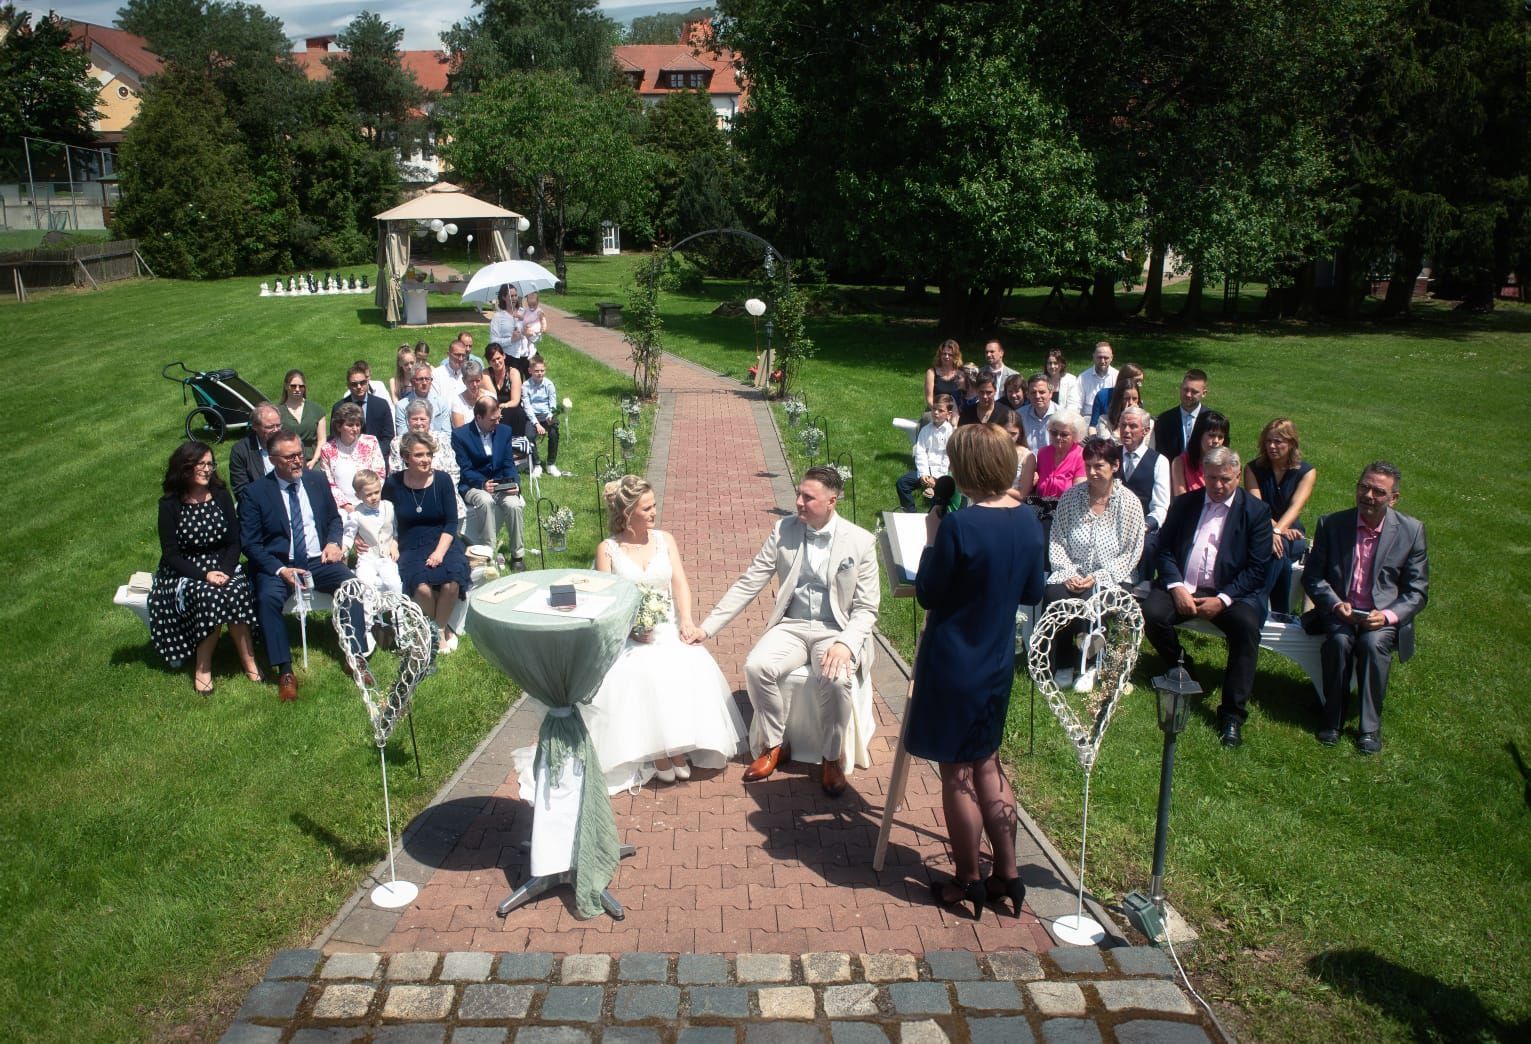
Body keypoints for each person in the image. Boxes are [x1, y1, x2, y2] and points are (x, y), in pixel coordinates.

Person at [905, 423, 1046, 920]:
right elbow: (1032, 591)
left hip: (954, 662)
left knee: (957, 771)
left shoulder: (961, 527)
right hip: (996, 661)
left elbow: (928, 593)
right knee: (988, 763)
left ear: (966, 469)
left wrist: (931, 538)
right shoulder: (1028, 519)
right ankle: (1009, 873)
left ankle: (967, 879)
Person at [694, 466, 880, 796]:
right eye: (798, 494)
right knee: (757, 666)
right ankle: (775, 744)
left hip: (834, 630)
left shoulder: (861, 542)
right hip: (792, 625)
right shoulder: (784, 531)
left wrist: (847, 645)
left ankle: (832, 757)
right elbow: (749, 582)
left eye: (808, 497)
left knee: (836, 678)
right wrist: (707, 628)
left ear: (832, 500)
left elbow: (866, 608)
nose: (798, 502)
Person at [581, 476, 748, 792]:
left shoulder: (665, 540)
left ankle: (675, 745)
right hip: (630, 635)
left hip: (667, 626)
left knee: (686, 663)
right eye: (647, 508)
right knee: (642, 671)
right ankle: (657, 751)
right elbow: (607, 599)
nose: (654, 512)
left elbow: (679, 583)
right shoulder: (608, 549)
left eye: (654, 505)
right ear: (628, 512)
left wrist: (686, 620)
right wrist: (630, 627)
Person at [1142, 447, 1273, 747]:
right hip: (1184, 587)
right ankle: (1183, 665)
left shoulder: (1256, 512)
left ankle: (1232, 715)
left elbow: (1257, 568)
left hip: (1231, 594)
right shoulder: (1186, 504)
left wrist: (1224, 599)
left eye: (1225, 479)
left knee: (1246, 629)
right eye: (1212, 478)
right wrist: (1176, 587)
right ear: (1204, 474)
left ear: (1238, 477)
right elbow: (1164, 550)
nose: (1218, 486)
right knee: (1151, 612)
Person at [1303, 462, 1428, 754]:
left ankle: (1369, 728)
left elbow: (1417, 591)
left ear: (1394, 498)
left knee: (1373, 646)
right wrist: (1334, 604)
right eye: (1364, 487)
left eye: (1378, 491)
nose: (1368, 495)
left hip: (1380, 617)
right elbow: (1313, 576)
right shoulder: (1332, 524)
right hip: (1341, 612)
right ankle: (1332, 719)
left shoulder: (1411, 531)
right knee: (1338, 640)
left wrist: (1386, 616)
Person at [239, 430, 368, 701]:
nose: (298, 461)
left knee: (352, 586)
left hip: (317, 559)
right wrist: (280, 570)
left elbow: (334, 519)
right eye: (290, 457)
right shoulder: (255, 493)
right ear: (274, 460)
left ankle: (355, 656)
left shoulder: (316, 480)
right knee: (267, 598)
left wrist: (334, 543)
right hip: (280, 564)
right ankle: (285, 670)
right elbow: (250, 544)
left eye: (300, 454)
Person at [149, 442, 261, 693]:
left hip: (223, 564)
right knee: (209, 595)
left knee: (236, 590)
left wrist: (226, 571)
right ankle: (203, 666)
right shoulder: (169, 505)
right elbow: (171, 555)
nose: (207, 469)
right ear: (185, 466)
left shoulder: (221, 494)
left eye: (210, 464)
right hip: (185, 570)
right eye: (201, 464)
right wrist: (204, 575)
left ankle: (249, 660)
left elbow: (235, 541)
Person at [1042, 436, 1145, 690]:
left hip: (1112, 575)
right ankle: (1063, 663)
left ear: (1115, 466)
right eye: (1088, 465)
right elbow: (1057, 539)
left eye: (1099, 466)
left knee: (1091, 597)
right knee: (1055, 595)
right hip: (1072, 569)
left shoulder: (1128, 502)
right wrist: (1067, 572)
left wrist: (1098, 576)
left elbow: (1131, 551)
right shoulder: (1071, 497)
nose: (1092, 472)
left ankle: (1088, 665)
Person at [387, 431, 472, 654]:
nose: (426, 459)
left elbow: (452, 522)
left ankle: (440, 629)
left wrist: (439, 553)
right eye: (419, 455)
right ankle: (436, 627)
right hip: (410, 542)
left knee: (451, 580)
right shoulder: (394, 483)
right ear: (406, 457)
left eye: (429, 454)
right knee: (422, 587)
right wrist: (392, 541)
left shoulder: (442, 480)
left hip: (442, 538)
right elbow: (383, 517)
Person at [1244, 418, 1317, 615]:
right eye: (1268, 441)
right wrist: (1274, 530)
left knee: (1277, 550)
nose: (1272, 446)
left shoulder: (1306, 472)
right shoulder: (1253, 468)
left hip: (1292, 534)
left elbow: (1296, 507)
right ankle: (1279, 611)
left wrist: (1277, 530)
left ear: (1291, 443)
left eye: (1278, 442)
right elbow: (1257, 506)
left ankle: (1255, 604)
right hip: (1261, 528)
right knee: (1278, 555)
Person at [451, 394, 526, 571]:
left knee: (514, 504)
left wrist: (514, 483)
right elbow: (465, 469)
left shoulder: (504, 431)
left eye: (498, 417)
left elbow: (508, 463)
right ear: (478, 417)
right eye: (492, 419)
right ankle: (488, 552)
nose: (497, 422)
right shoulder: (461, 436)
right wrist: (483, 484)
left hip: (500, 483)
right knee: (485, 500)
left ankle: (518, 555)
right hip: (473, 485)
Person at [317, 402, 388, 547]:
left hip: (370, 500)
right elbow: (328, 482)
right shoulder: (327, 449)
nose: (355, 429)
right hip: (342, 506)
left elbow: (379, 473)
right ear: (338, 426)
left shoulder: (370, 442)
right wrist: (346, 505)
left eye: (358, 424)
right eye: (350, 425)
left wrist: (366, 500)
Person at [391, 399, 467, 525]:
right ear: (407, 420)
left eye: (423, 419)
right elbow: (396, 472)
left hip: (444, 494)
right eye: (414, 419)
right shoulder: (398, 443)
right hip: (412, 496)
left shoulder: (441, 439)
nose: (419, 423)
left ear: (430, 420)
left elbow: (454, 470)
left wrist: (444, 493)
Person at [1117, 406, 1170, 575]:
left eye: (1132, 426)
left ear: (1146, 431)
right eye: (1123, 425)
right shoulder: (1111, 455)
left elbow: (1161, 506)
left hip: (1143, 525)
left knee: (1147, 546)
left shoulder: (1159, 461)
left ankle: (1144, 583)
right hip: (1112, 521)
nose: (1126, 430)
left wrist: (1145, 526)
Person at [350, 469, 403, 599]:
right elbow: (349, 534)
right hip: (367, 557)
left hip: (386, 556)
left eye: (377, 492)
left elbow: (394, 528)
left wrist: (394, 544)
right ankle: (368, 617)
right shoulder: (356, 513)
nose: (374, 497)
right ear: (358, 496)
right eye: (368, 495)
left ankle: (398, 615)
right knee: (365, 584)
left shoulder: (389, 507)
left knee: (394, 582)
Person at [896, 395, 955, 510]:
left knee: (937, 499)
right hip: (925, 472)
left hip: (942, 475)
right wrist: (924, 474)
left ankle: (933, 519)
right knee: (902, 483)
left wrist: (936, 479)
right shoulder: (925, 430)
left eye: (941, 410)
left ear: (949, 414)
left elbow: (947, 458)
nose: (936, 413)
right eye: (934, 409)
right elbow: (920, 453)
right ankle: (910, 513)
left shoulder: (950, 432)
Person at [1170, 409, 1230, 497]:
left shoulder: (1228, 464)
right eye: (1211, 435)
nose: (1216, 441)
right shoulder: (1180, 462)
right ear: (1199, 435)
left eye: (1220, 437)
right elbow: (1181, 499)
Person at [228, 402, 283, 498]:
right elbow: (241, 490)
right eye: (269, 427)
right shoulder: (241, 451)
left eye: (278, 425)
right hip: (260, 501)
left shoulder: (291, 444)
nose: (276, 430)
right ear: (255, 427)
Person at [1153, 368, 1209, 460]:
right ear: (1180, 387)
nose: (1188, 394)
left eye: (1194, 392)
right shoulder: (1164, 420)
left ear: (1204, 393)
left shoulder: (1212, 420)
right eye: (1185, 389)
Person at [277, 368, 327, 468]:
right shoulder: (278, 412)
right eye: (293, 386)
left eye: (301, 386)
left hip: (313, 460)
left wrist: (314, 460)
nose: (297, 389)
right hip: (288, 461)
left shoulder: (316, 409)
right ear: (286, 386)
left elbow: (322, 440)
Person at [1034, 409, 1087, 500]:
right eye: (1054, 433)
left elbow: (1079, 493)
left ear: (1075, 435)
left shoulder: (1081, 456)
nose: (1058, 437)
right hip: (1040, 508)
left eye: (1064, 434)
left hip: (1067, 509)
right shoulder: (1043, 453)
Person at [334, 364, 395, 443]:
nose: (359, 386)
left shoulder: (382, 405)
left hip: (377, 452)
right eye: (354, 384)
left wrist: (375, 453)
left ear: (367, 382)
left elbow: (388, 437)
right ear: (348, 385)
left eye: (362, 382)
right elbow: (335, 437)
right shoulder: (339, 408)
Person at [523, 354, 561, 476]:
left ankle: (551, 464)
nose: (540, 373)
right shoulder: (525, 386)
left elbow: (553, 403)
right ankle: (537, 464)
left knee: (554, 432)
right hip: (533, 415)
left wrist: (550, 415)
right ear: (530, 371)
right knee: (529, 435)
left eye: (542, 371)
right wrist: (537, 424)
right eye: (536, 371)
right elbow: (527, 406)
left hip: (546, 414)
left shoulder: (549, 385)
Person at [393, 363, 453, 435]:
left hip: (437, 444)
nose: (424, 383)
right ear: (412, 382)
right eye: (420, 379)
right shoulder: (402, 406)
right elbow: (402, 435)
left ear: (431, 381)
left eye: (427, 379)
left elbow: (447, 433)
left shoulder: (441, 403)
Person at [1090, 361, 1143, 430]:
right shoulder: (1103, 395)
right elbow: (1093, 425)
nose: (1140, 385)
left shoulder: (1137, 401)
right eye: (1137, 381)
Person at [489, 285, 527, 377]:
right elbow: (493, 342)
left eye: (515, 295)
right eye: (511, 296)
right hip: (510, 357)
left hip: (527, 355)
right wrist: (511, 339)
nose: (514, 298)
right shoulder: (498, 317)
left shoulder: (524, 313)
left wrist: (530, 333)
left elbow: (537, 334)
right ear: (503, 297)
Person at [1077, 341, 1118, 421]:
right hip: (1087, 418)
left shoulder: (1118, 376)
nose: (1102, 361)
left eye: (1106, 358)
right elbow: (1077, 404)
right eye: (1099, 357)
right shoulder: (1082, 378)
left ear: (1111, 358)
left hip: (1110, 419)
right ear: (1093, 357)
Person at [1001, 414, 1037, 503]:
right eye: (1005, 433)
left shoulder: (1027, 456)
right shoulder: (990, 451)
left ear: (1020, 433)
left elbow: (1022, 495)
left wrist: (996, 488)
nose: (1008, 437)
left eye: (1013, 434)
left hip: (1012, 505)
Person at [1019, 372, 1057, 452]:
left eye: (1042, 392)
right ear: (1028, 395)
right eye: (1033, 392)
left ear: (1050, 393)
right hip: (1027, 461)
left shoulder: (1062, 415)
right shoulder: (1019, 415)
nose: (1037, 396)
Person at [925, 339, 965, 412]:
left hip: (956, 412)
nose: (946, 357)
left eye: (950, 355)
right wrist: (939, 412)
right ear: (940, 355)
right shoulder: (931, 372)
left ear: (956, 356)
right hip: (935, 411)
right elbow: (929, 399)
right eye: (944, 353)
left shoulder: (961, 373)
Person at [450, 358, 491, 429]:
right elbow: (460, 431)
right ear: (463, 381)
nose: (475, 384)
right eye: (471, 381)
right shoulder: (457, 401)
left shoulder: (490, 398)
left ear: (481, 378)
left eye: (477, 380)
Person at [1045, 348, 1081, 414]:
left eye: (1055, 363)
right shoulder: (1041, 380)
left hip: (1064, 418)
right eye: (1050, 363)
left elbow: (1073, 405)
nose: (1052, 366)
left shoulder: (1071, 380)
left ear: (1061, 365)